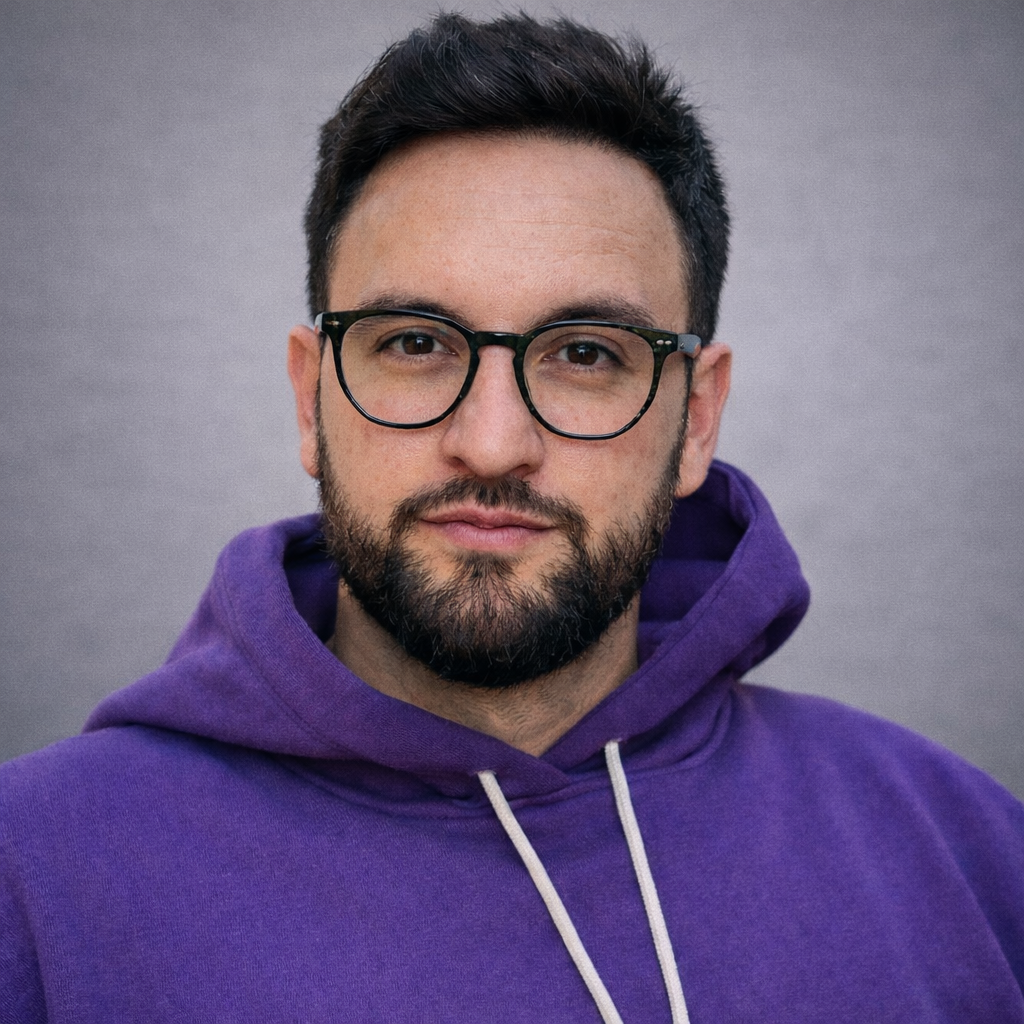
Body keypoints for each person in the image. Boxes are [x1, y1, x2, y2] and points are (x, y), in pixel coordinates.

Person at [1, 12, 1021, 1023]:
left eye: (585, 353)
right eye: (415, 343)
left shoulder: (964, 851)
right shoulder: (35, 878)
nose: (491, 444)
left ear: (697, 419)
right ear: (311, 398)